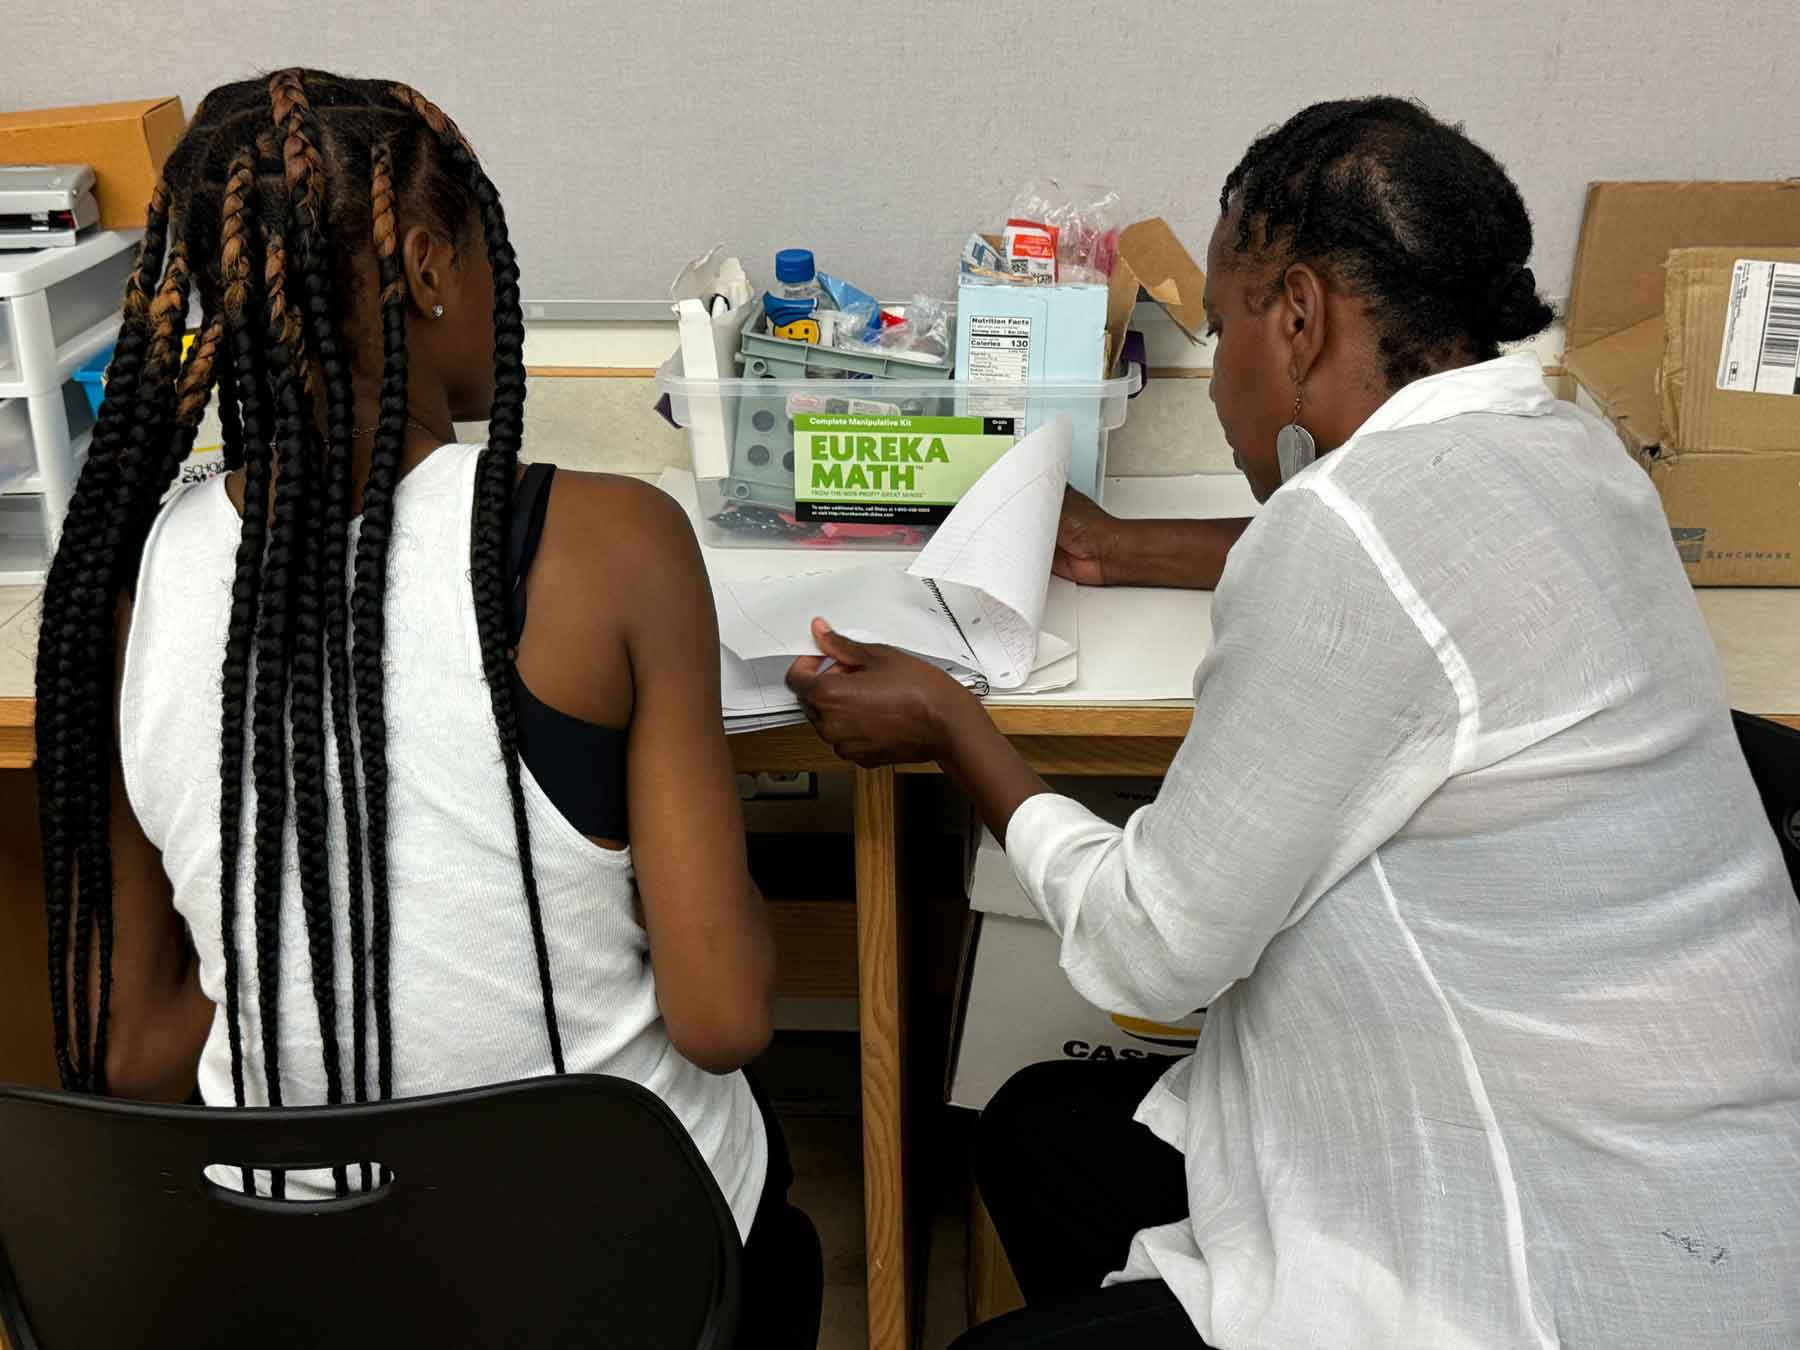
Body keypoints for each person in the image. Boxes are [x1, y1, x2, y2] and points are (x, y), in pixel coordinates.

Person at [787, 97, 1800, 1347]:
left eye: (1224, 330)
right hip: (1716, 1171)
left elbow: (1151, 949)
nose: (1221, 378)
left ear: (1304, 316)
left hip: (1539, 1262)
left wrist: (954, 725)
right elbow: (1417, 560)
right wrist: (1119, 550)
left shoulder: (1348, 537)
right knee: (1047, 1132)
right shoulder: (1571, 440)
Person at [35, 70, 820, 1346]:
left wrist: (304, 1012)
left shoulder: (124, 586)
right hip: (605, 1284)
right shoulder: (613, 547)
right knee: (764, 1215)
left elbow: (131, 1055)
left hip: (292, 1287)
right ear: (430, 267)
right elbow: (722, 1017)